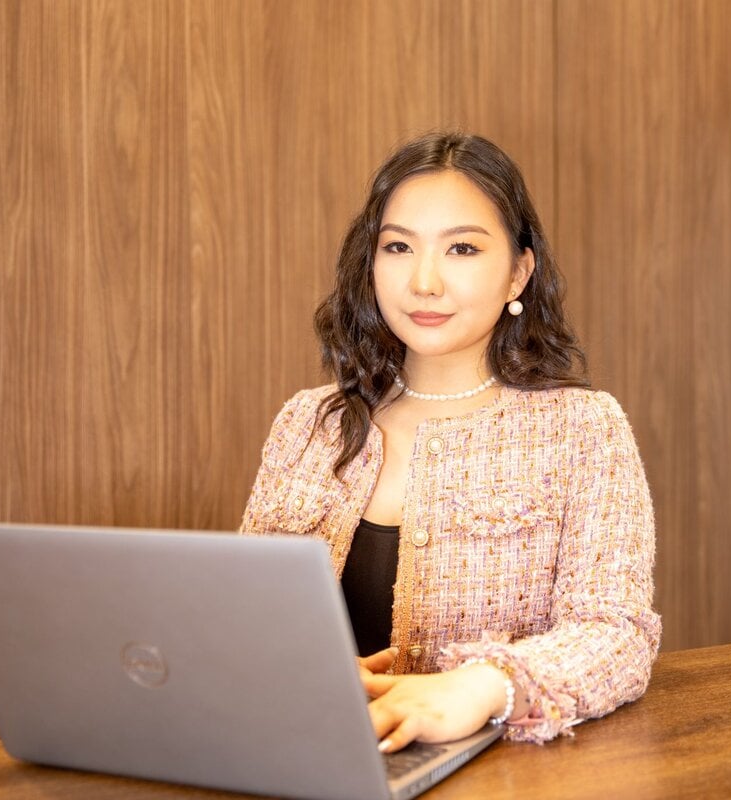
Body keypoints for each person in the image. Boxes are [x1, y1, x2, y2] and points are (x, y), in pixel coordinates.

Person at [240, 131, 660, 751]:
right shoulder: (309, 424)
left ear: (518, 273)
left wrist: (483, 687)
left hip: (501, 774)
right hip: (316, 756)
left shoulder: (583, 429)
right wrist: (294, 668)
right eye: (398, 247)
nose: (424, 281)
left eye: (462, 248)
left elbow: (617, 634)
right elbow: (243, 619)